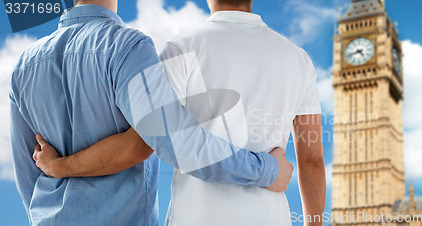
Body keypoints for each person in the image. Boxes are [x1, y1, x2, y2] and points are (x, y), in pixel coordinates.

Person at [35, 0, 326, 225]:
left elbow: (142, 142)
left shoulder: (182, 49)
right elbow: (312, 161)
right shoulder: (298, 59)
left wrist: (62, 166)